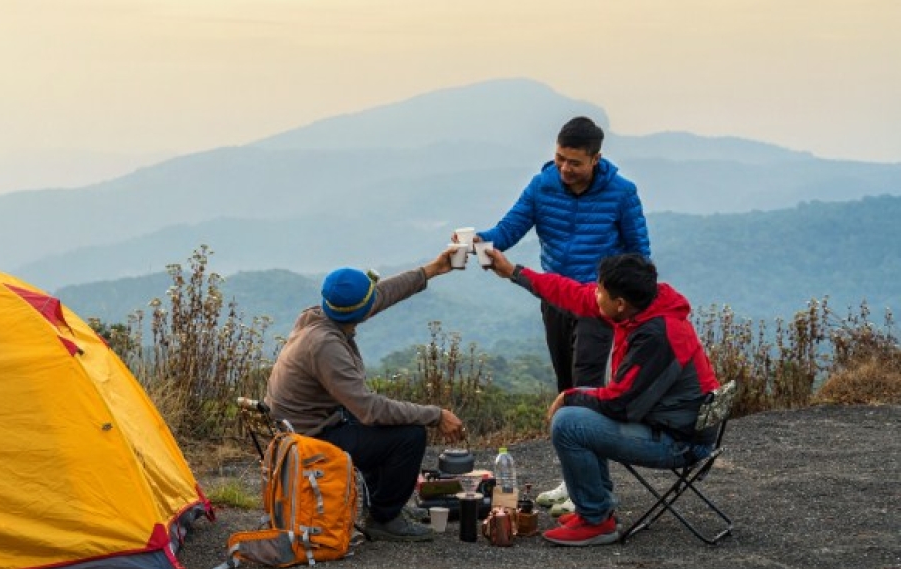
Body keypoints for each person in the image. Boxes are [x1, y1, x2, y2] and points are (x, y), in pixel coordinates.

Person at [467, 115, 651, 513]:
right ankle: (574, 481)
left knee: (584, 391)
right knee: (565, 386)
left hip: (596, 303)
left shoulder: (621, 193)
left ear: (596, 159)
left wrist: (627, 307)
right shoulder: (543, 185)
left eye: (575, 162)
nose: (566, 169)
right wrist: (476, 242)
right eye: (560, 158)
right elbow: (509, 229)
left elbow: (639, 255)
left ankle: (593, 492)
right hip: (554, 298)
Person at [485, 248, 719, 546]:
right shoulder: (642, 307)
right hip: (672, 422)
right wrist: (514, 272)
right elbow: (572, 293)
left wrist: (570, 396)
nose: (595, 294)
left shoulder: (658, 336)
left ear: (619, 304)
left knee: (569, 423)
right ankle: (597, 507)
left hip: (680, 441)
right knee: (582, 412)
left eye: (600, 290)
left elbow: (621, 405)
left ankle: (596, 519)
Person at [265, 248, 467, 543]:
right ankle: (384, 518)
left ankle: (380, 505)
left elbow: (380, 295)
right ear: (360, 312)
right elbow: (370, 410)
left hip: (307, 426)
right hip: (310, 440)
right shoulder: (325, 346)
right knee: (409, 435)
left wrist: (431, 270)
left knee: (381, 426)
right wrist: (435, 415)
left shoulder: (319, 315)